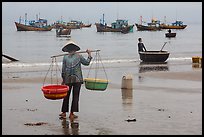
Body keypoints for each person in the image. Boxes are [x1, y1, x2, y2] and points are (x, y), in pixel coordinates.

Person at [59, 40, 92, 120]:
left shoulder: (65, 57)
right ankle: (71, 114)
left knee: (66, 96)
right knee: (75, 96)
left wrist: (63, 80)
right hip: (77, 79)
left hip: (67, 79)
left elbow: (63, 70)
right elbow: (87, 63)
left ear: (67, 49)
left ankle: (64, 113)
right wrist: (89, 54)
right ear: (75, 48)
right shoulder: (79, 56)